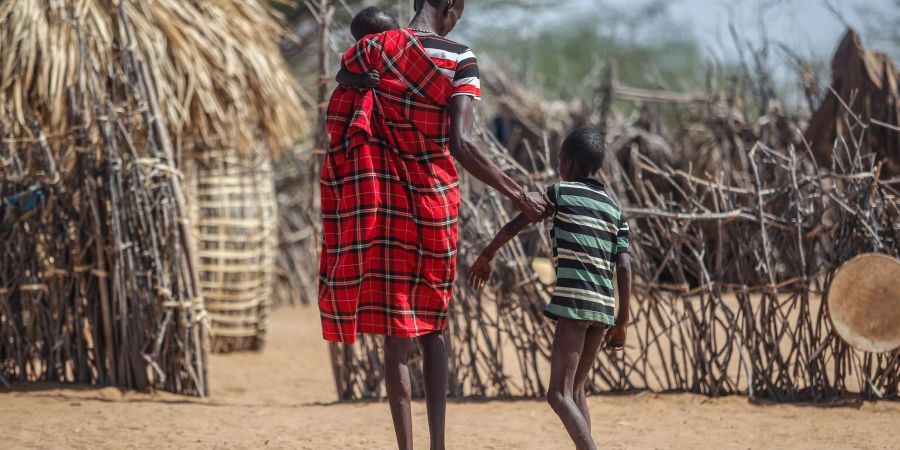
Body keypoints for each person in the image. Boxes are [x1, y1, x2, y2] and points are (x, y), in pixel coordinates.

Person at [318, 1, 547, 449]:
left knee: (395, 335)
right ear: (449, 5)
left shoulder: (373, 49)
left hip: (385, 206)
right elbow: (460, 144)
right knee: (433, 329)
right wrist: (519, 193)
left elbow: (345, 95)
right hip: (433, 205)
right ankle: (437, 446)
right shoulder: (459, 57)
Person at [468, 127, 632, 450]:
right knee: (577, 391)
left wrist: (487, 254)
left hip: (574, 303)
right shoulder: (615, 211)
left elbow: (518, 222)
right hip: (602, 308)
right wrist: (622, 322)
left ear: (567, 163)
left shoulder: (560, 193)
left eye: (559, 161)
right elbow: (624, 267)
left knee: (558, 394)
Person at [334, 6, 400, 89]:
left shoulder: (399, 53)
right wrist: (362, 79)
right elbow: (340, 76)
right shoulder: (359, 57)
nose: (397, 39)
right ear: (367, 43)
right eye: (390, 37)